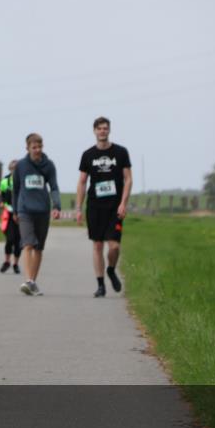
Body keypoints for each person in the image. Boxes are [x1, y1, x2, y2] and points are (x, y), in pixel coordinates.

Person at [76, 117, 132, 297]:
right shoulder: (88, 155)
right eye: (99, 128)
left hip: (114, 207)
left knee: (114, 246)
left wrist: (124, 203)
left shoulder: (121, 152)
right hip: (95, 206)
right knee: (98, 245)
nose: (102, 131)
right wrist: (78, 208)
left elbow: (128, 179)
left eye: (105, 128)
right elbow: (82, 182)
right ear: (94, 131)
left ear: (109, 130)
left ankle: (111, 269)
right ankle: (100, 285)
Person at [12, 133, 61, 296]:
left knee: (39, 248)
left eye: (40, 147)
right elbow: (16, 189)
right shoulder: (21, 166)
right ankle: (28, 280)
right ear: (27, 148)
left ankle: (32, 281)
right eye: (34, 147)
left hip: (42, 210)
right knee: (28, 244)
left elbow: (53, 187)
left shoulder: (49, 165)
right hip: (25, 210)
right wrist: (14, 209)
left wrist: (57, 206)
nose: (37, 150)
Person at [0, 159, 22, 274]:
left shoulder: (23, 181)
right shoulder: (5, 182)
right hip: (9, 212)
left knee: (18, 241)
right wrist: (2, 202)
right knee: (10, 239)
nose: (14, 171)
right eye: (13, 169)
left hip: (21, 213)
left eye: (16, 169)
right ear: (10, 169)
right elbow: (1, 195)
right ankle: (7, 261)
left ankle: (16, 263)